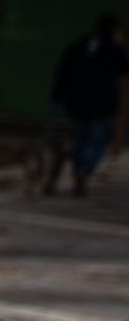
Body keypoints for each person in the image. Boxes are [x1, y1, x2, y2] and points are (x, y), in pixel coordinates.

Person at [52, 15, 129, 195]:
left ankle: (78, 170)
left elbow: (62, 70)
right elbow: (124, 67)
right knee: (98, 141)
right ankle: (85, 171)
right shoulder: (113, 48)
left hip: (78, 102)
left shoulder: (79, 44)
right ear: (113, 31)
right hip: (102, 104)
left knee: (80, 139)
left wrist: (57, 95)